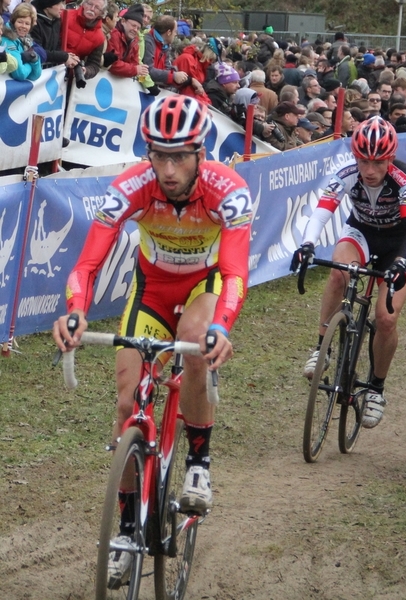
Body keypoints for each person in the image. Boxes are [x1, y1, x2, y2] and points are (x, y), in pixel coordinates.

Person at [52, 95, 253, 587]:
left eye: (179, 155)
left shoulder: (228, 191)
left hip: (203, 289)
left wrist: (221, 326)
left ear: (200, 152)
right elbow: (87, 264)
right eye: (158, 155)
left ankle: (199, 463)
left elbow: (234, 271)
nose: (167, 168)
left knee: (194, 340)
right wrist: (75, 312)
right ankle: (124, 530)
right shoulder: (133, 187)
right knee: (126, 408)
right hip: (150, 292)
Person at [291, 116, 406, 429]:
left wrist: (402, 262)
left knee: (386, 318)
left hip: (396, 244)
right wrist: (307, 243)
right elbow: (322, 210)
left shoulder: (404, 178)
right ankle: (323, 346)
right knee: (338, 274)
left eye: (378, 162)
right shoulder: (348, 174)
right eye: (364, 161)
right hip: (360, 232)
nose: (370, 170)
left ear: (390, 159)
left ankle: (376, 388)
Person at [30, 0, 80, 69]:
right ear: (47, 6)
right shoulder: (33, 22)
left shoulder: (56, 21)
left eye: (63, 3)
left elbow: (57, 46)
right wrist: (64, 56)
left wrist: (68, 57)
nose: (62, 7)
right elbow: (37, 52)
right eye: (58, 4)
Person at [143, 15, 188, 90]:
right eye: (175, 31)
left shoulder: (165, 45)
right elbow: (148, 70)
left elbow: (167, 68)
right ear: (169, 32)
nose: (176, 34)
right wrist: (173, 76)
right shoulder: (148, 42)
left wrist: (181, 77)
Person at [1, 2, 42, 81]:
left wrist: (35, 59)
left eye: (27, 23)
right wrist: (31, 63)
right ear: (13, 21)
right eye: (20, 22)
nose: (23, 26)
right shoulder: (8, 39)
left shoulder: (26, 40)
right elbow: (20, 74)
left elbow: (36, 75)